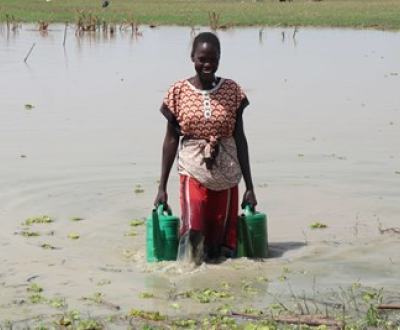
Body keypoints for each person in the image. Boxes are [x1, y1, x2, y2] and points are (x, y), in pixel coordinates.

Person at [154, 31, 257, 264]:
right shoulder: (177, 92)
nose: (208, 64)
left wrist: (250, 187)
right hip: (192, 166)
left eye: (213, 58)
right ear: (192, 57)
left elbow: (240, 139)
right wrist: (161, 187)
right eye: (202, 59)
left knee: (220, 244)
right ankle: (187, 279)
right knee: (193, 231)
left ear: (220, 58)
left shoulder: (232, 91)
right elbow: (170, 140)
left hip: (227, 170)